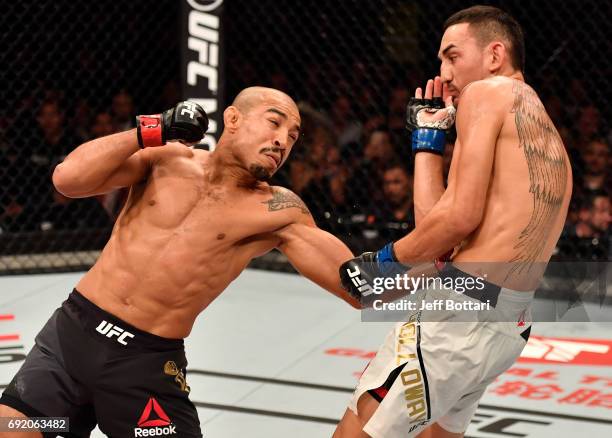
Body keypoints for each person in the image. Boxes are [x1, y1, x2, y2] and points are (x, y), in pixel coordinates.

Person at [0, 87, 357, 437]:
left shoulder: (279, 211)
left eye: (293, 136)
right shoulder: (166, 159)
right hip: (72, 338)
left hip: (144, 367)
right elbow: (68, 179)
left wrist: (415, 245)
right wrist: (152, 129)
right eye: (274, 123)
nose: (283, 141)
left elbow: (361, 288)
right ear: (233, 119)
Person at [334, 6, 572, 438]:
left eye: (452, 56)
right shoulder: (539, 123)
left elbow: (458, 218)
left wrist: (383, 264)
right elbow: (441, 229)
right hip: (506, 321)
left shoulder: (488, 94)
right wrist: (429, 141)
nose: (443, 74)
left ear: (495, 54)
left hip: (459, 314)